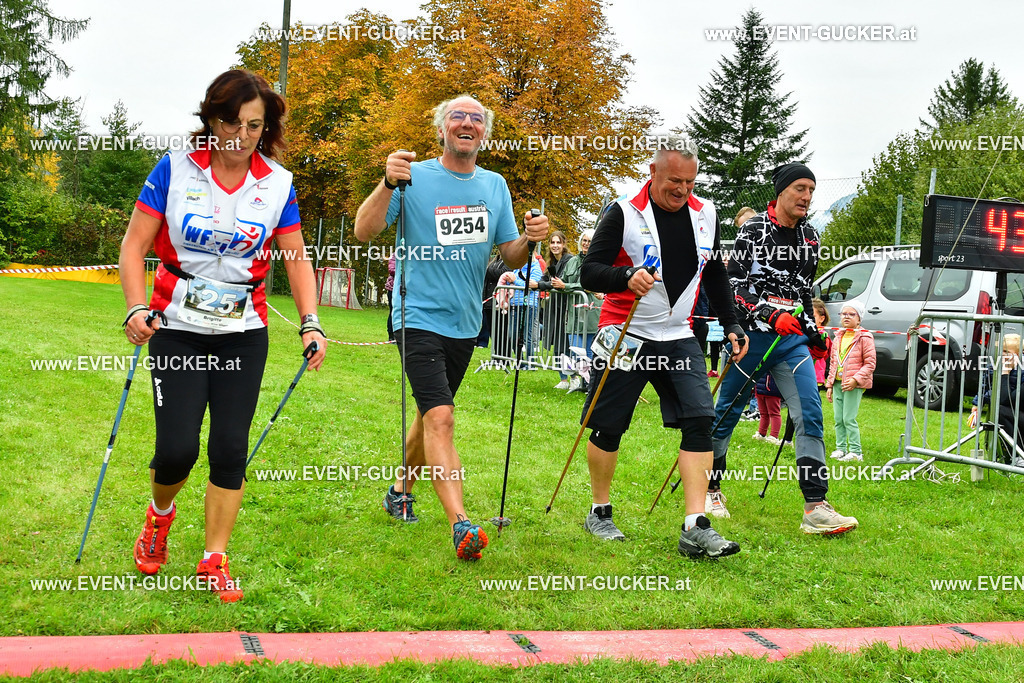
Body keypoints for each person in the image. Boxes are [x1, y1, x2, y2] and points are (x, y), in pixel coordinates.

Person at [120, 69, 327, 602]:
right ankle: (160, 515)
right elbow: (134, 244)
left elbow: (297, 258)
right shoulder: (175, 169)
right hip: (178, 328)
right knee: (175, 452)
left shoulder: (277, 183)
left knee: (230, 447)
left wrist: (311, 321)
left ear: (267, 128)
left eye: (254, 126)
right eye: (230, 122)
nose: (241, 135)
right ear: (211, 120)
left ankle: (214, 557)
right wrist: (136, 308)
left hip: (242, 332)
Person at [353, 94, 547, 561]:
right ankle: (460, 523)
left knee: (428, 414)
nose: (467, 123)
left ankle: (400, 489)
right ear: (441, 129)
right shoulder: (412, 177)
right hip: (415, 316)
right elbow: (364, 230)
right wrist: (384, 183)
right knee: (442, 417)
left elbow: (510, 255)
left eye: (476, 119)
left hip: (465, 323)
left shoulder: (495, 185)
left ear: (484, 133)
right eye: (457, 116)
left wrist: (530, 238)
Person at [578, 134, 747, 558]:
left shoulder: (707, 213)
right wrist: (625, 277)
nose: (682, 190)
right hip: (626, 331)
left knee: (700, 419)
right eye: (674, 181)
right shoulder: (623, 211)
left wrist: (731, 322)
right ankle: (599, 510)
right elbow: (589, 272)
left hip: (677, 336)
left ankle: (696, 526)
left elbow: (713, 275)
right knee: (608, 424)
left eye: (690, 182)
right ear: (652, 172)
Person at [709, 162, 858, 535]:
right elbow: (734, 285)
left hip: (791, 343)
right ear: (781, 192)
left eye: (811, 189)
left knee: (809, 412)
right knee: (726, 412)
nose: (807, 196)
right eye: (800, 189)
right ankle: (710, 487)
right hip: (751, 338)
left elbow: (803, 294)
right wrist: (768, 314)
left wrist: (814, 333)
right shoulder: (753, 230)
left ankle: (815, 506)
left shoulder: (810, 236)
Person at [826, 301, 875, 462]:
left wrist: (856, 380)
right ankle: (841, 448)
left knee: (848, 418)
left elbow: (870, 363)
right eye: (843, 314)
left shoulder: (865, 337)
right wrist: (830, 385)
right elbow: (834, 362)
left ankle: (855, 451)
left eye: (851, 314)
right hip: (838, 383)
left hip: (853, 385)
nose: (846, 317)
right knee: (838, 418)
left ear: (859, 319)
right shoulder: (838, 336)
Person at [562, 228, 603, 393]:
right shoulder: (571, 261)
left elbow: (589, 284)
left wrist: (566, 286)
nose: (586, 244)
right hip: (573, 315)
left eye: (590, 241)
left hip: (592, 314)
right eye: (584, 240)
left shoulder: (598, 261)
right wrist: (562, 285)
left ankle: (590, 385)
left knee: (590, 353)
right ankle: (583, 382)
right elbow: (563, 282)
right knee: (576, 353)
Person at [539, 231, 574, 388]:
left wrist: (539, 285)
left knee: (567, 345)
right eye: (552, 243)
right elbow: (546, 279)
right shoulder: (551, 262)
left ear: (564, 244)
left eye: (558, 242)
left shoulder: (569, 261)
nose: (555, 246)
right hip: (555, 308)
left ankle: (573, 378)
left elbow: (560, 283)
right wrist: (537, 282)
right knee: (558, 344)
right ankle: (564, 379)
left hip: (567, 308)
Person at [753, 372, 783, 445]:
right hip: (760, 389)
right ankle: (761, 433)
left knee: (774, 414)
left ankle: (773, 436)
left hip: (772, 389)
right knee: (763, 413)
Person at [812, 297, 831, 387]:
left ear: (821, 319)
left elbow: (824, 354)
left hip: (815, 376)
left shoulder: (823, 336)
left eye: (813, 316)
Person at [386, 253, 396, 341]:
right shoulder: (396, 254)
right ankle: (391, 336)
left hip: (409, 289)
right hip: (393, 289)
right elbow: (392, 270)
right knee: (393, 311)